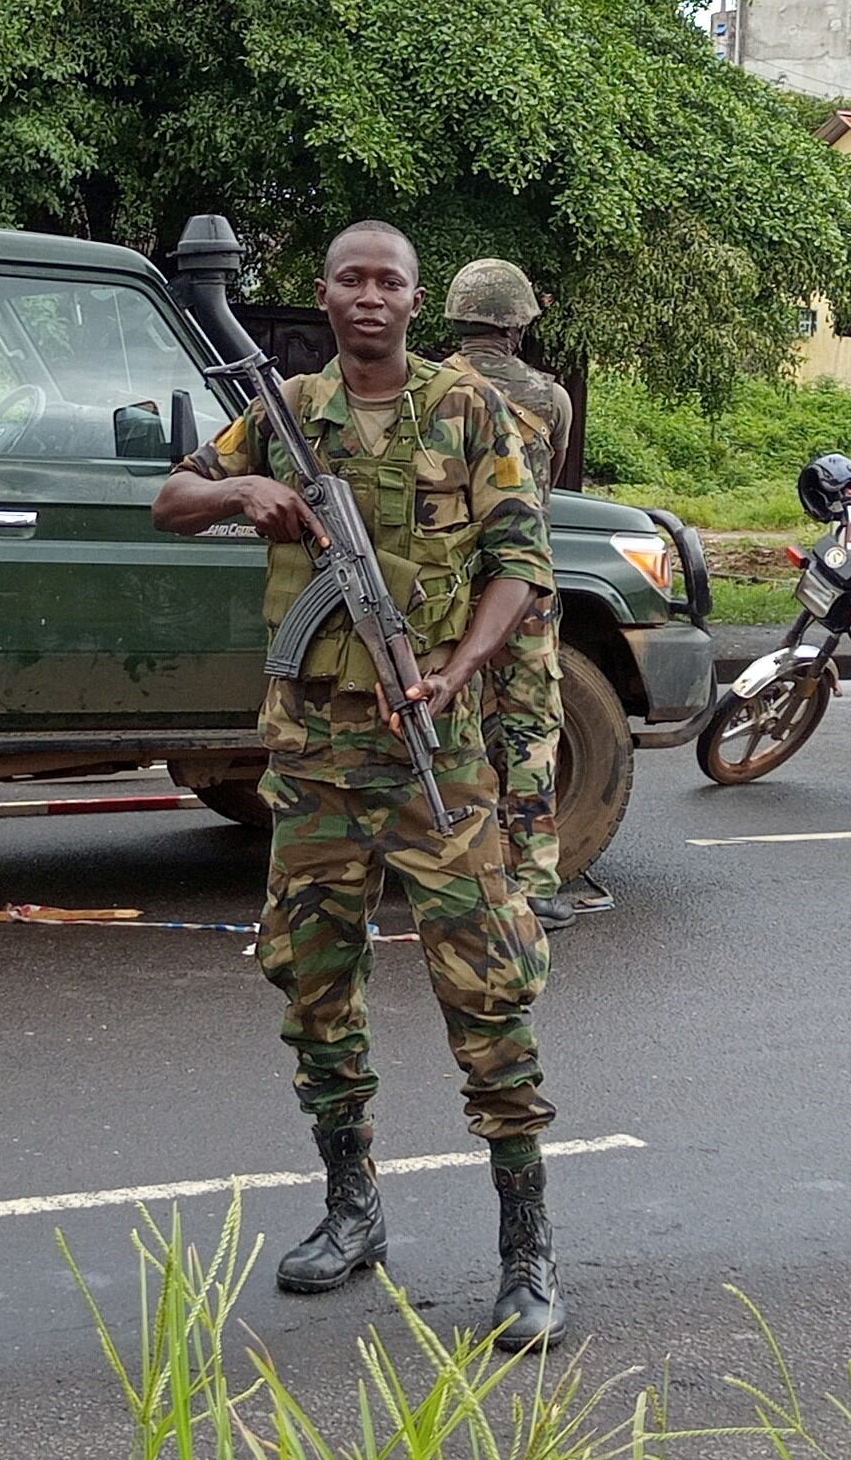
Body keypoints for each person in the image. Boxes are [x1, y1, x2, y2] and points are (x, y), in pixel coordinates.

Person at [153, 222, 568, 1351]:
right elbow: (166, 501)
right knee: (314, 988)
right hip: (314, 761)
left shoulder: (467, 410)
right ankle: (352, 1209)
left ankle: (526, 1252)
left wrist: (456, 669)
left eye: (390, 281)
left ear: (416, 298)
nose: (370, 298)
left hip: (437, 753)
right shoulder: (290, 412)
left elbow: (522, 565)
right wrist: (246, 491)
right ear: (326, 296)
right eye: (352, 280)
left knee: (487, 994)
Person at [435, 257, 611, 928]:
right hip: (526, 586)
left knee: (457, 727)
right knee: (532, 728)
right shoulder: (550, 398)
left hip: (451, 588)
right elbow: (547, 486)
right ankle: (533, 882)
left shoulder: (430, 389)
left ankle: (460, 875)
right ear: (517, 324)